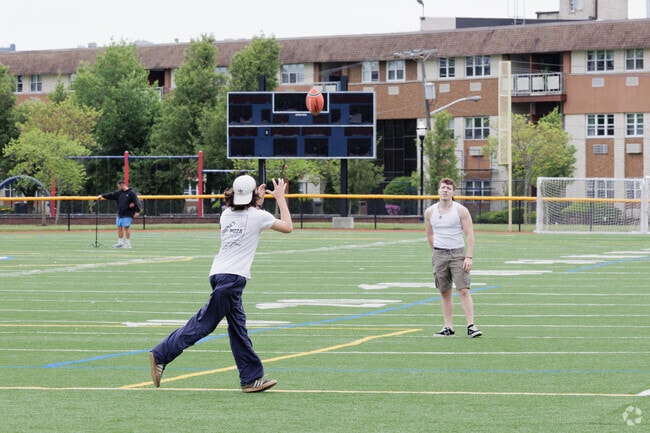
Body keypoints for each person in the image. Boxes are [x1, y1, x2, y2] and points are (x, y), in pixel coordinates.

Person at [149, 175, 293, 393]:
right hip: (233, 279)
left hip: (219, 274)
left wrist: (257, 200)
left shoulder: (226, 214)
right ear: (254, 195)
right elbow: (287, 227)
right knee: (204, 324)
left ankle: (250, 378)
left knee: (238, 328)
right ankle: (161, 353)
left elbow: (247, 214)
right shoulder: (258, 216)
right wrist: (280, 198)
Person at [424, 178, 482, 338]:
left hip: (457, 253)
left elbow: (470, 234)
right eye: (443, 187)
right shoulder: (430, 211)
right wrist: (434, 253)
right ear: (438, 190)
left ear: (453, 192)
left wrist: (468, 256)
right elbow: (429, 234)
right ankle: (448, 327)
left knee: (463, 289)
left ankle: (471, 326)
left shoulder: (461, 210)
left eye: (449, 188)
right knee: (444, 291)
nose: (445, 190)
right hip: (439, 254)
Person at [97, 180, 140, 249]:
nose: (118, 188)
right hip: (120, 213)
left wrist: (137, 211)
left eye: (118, 186)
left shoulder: (131, 192)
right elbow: (111, 195)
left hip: (128, 213)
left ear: (122, 185)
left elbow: (136, 202)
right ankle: (120, 243)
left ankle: (128, 244)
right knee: (119, 227)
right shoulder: (119, 193)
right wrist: (102, 195)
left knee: (126, 228)